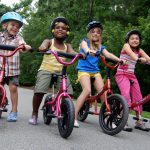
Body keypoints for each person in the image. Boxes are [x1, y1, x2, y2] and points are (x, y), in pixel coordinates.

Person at [29, 17, 77, 125]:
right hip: (46, 69)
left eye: (63, 28)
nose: (60, 29)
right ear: (53, 30)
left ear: (67, 32)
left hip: (61, 72)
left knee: (68, 93)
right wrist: (42, 47)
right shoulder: (49, 41)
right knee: (39, 91)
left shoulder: (67, 46)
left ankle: (66, 115)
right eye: (57, 27)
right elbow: (43, 46)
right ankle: (34, 113)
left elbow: (72, 52)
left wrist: (79, 55)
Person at [74, 21, 123, 128]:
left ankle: (107, 118)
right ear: (89, 33)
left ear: (100, 35)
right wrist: (88, 51)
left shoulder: (100, 46)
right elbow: (86, 48)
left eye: (98, 32)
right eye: (93, 32)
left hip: (95, 71)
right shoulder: (84, 42)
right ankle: (74, 117)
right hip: (83, 70)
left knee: (103, 92)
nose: (95, 34)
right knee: (87, 90)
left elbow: (108, 54)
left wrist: (119, 60)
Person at [115, 29, 150, 131]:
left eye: (137, 39)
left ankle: (139, 121)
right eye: (132, 38)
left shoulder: (140, 50)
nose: (135, 40)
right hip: (121, 74)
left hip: (131, 75)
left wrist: (146, 60)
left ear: (139, 40)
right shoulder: (126, 46)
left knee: (138, 97)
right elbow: (131, 54)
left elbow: (148, 58)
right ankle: (121, 119)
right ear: (128, 40)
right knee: (126, 95)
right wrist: (139, 59)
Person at [0, 12, 31, 121]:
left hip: (13, 69)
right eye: (12, 25)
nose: (15, 28)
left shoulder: (18, 38)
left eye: (17, 27)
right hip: (0, 68)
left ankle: (14, 111)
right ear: (5, 25)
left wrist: (25, 47)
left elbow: (23, 45)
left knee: (13, 88)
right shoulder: (0, 36)